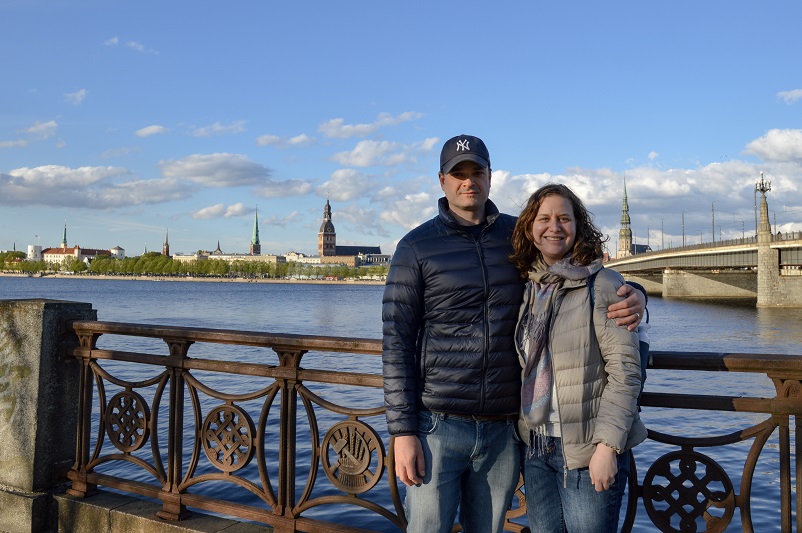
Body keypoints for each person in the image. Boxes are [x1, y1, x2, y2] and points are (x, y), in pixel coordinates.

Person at [382, 134, 646, 533]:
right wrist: (403, 431)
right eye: (458, 173)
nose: (468, 181)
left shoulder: (516, 237)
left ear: (490, 177)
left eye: (477, 172)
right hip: (439, 424)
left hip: (505, 430)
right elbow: (397, 342)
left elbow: (580, 270)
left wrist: (638, 294)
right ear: (442, 181)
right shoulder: (416, 247)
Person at [509, 183, 648, 533]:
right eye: (543, 218)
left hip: (588, 450)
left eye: (563, 218)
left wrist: (607, 447)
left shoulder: (601, 284)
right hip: (538, 446)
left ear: (578, 226)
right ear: (530, 228)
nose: (553, 226)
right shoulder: (531, 287)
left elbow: (626, 372)